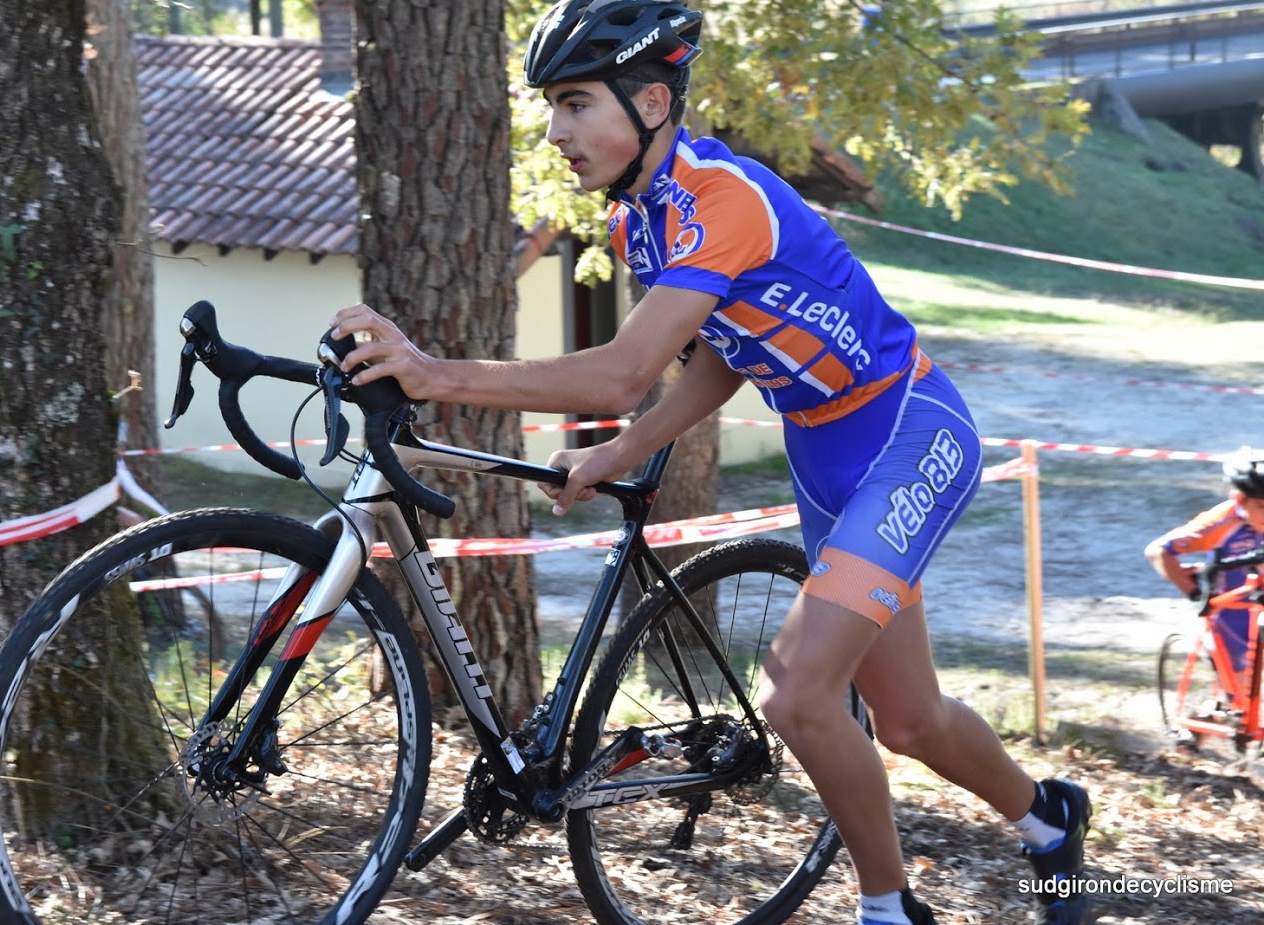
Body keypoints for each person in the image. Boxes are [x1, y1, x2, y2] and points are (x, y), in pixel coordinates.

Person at [329, 2, 1090, 922]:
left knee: (798, 694)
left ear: (652, 102)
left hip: (906, 432)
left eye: (575, 103)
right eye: (552, 107)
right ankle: (1049, 818)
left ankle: (889, 908)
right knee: (907, 718)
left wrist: (431, 372)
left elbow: (621, 372)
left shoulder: (721, 199)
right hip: (822, 450)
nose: (556, 131)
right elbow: (723, 353)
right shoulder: (641, 224)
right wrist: (624, 448)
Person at [1145, 448, 1264, 691]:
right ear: (1238, 499)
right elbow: (1158, 551)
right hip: (1230, 612)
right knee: (1241, 690)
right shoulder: (1220, 522)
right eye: (1262, 506)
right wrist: (1195, 595)